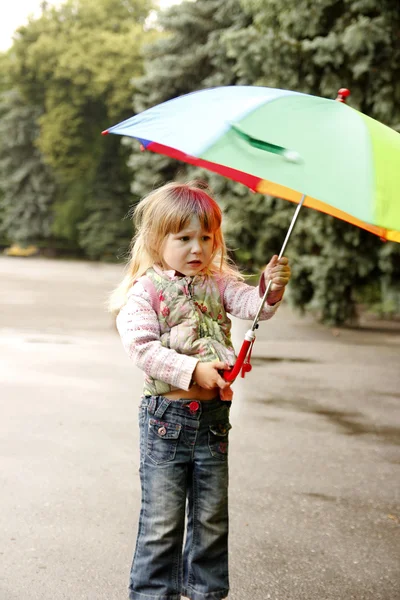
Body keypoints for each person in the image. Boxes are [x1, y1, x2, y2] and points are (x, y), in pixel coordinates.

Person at [110, 180, 291, 600]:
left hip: (212, 424)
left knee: (211, 519)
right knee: (162, 523)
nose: (197, 248)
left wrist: (271, 285)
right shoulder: (147, 291)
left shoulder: (217, 282)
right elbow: (141, 347)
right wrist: (192, 370)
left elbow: (255, 305)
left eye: (205, 238)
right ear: (157, 240)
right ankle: (154, 595)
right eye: (184, 238)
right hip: (167, 423)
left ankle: (206, 593)